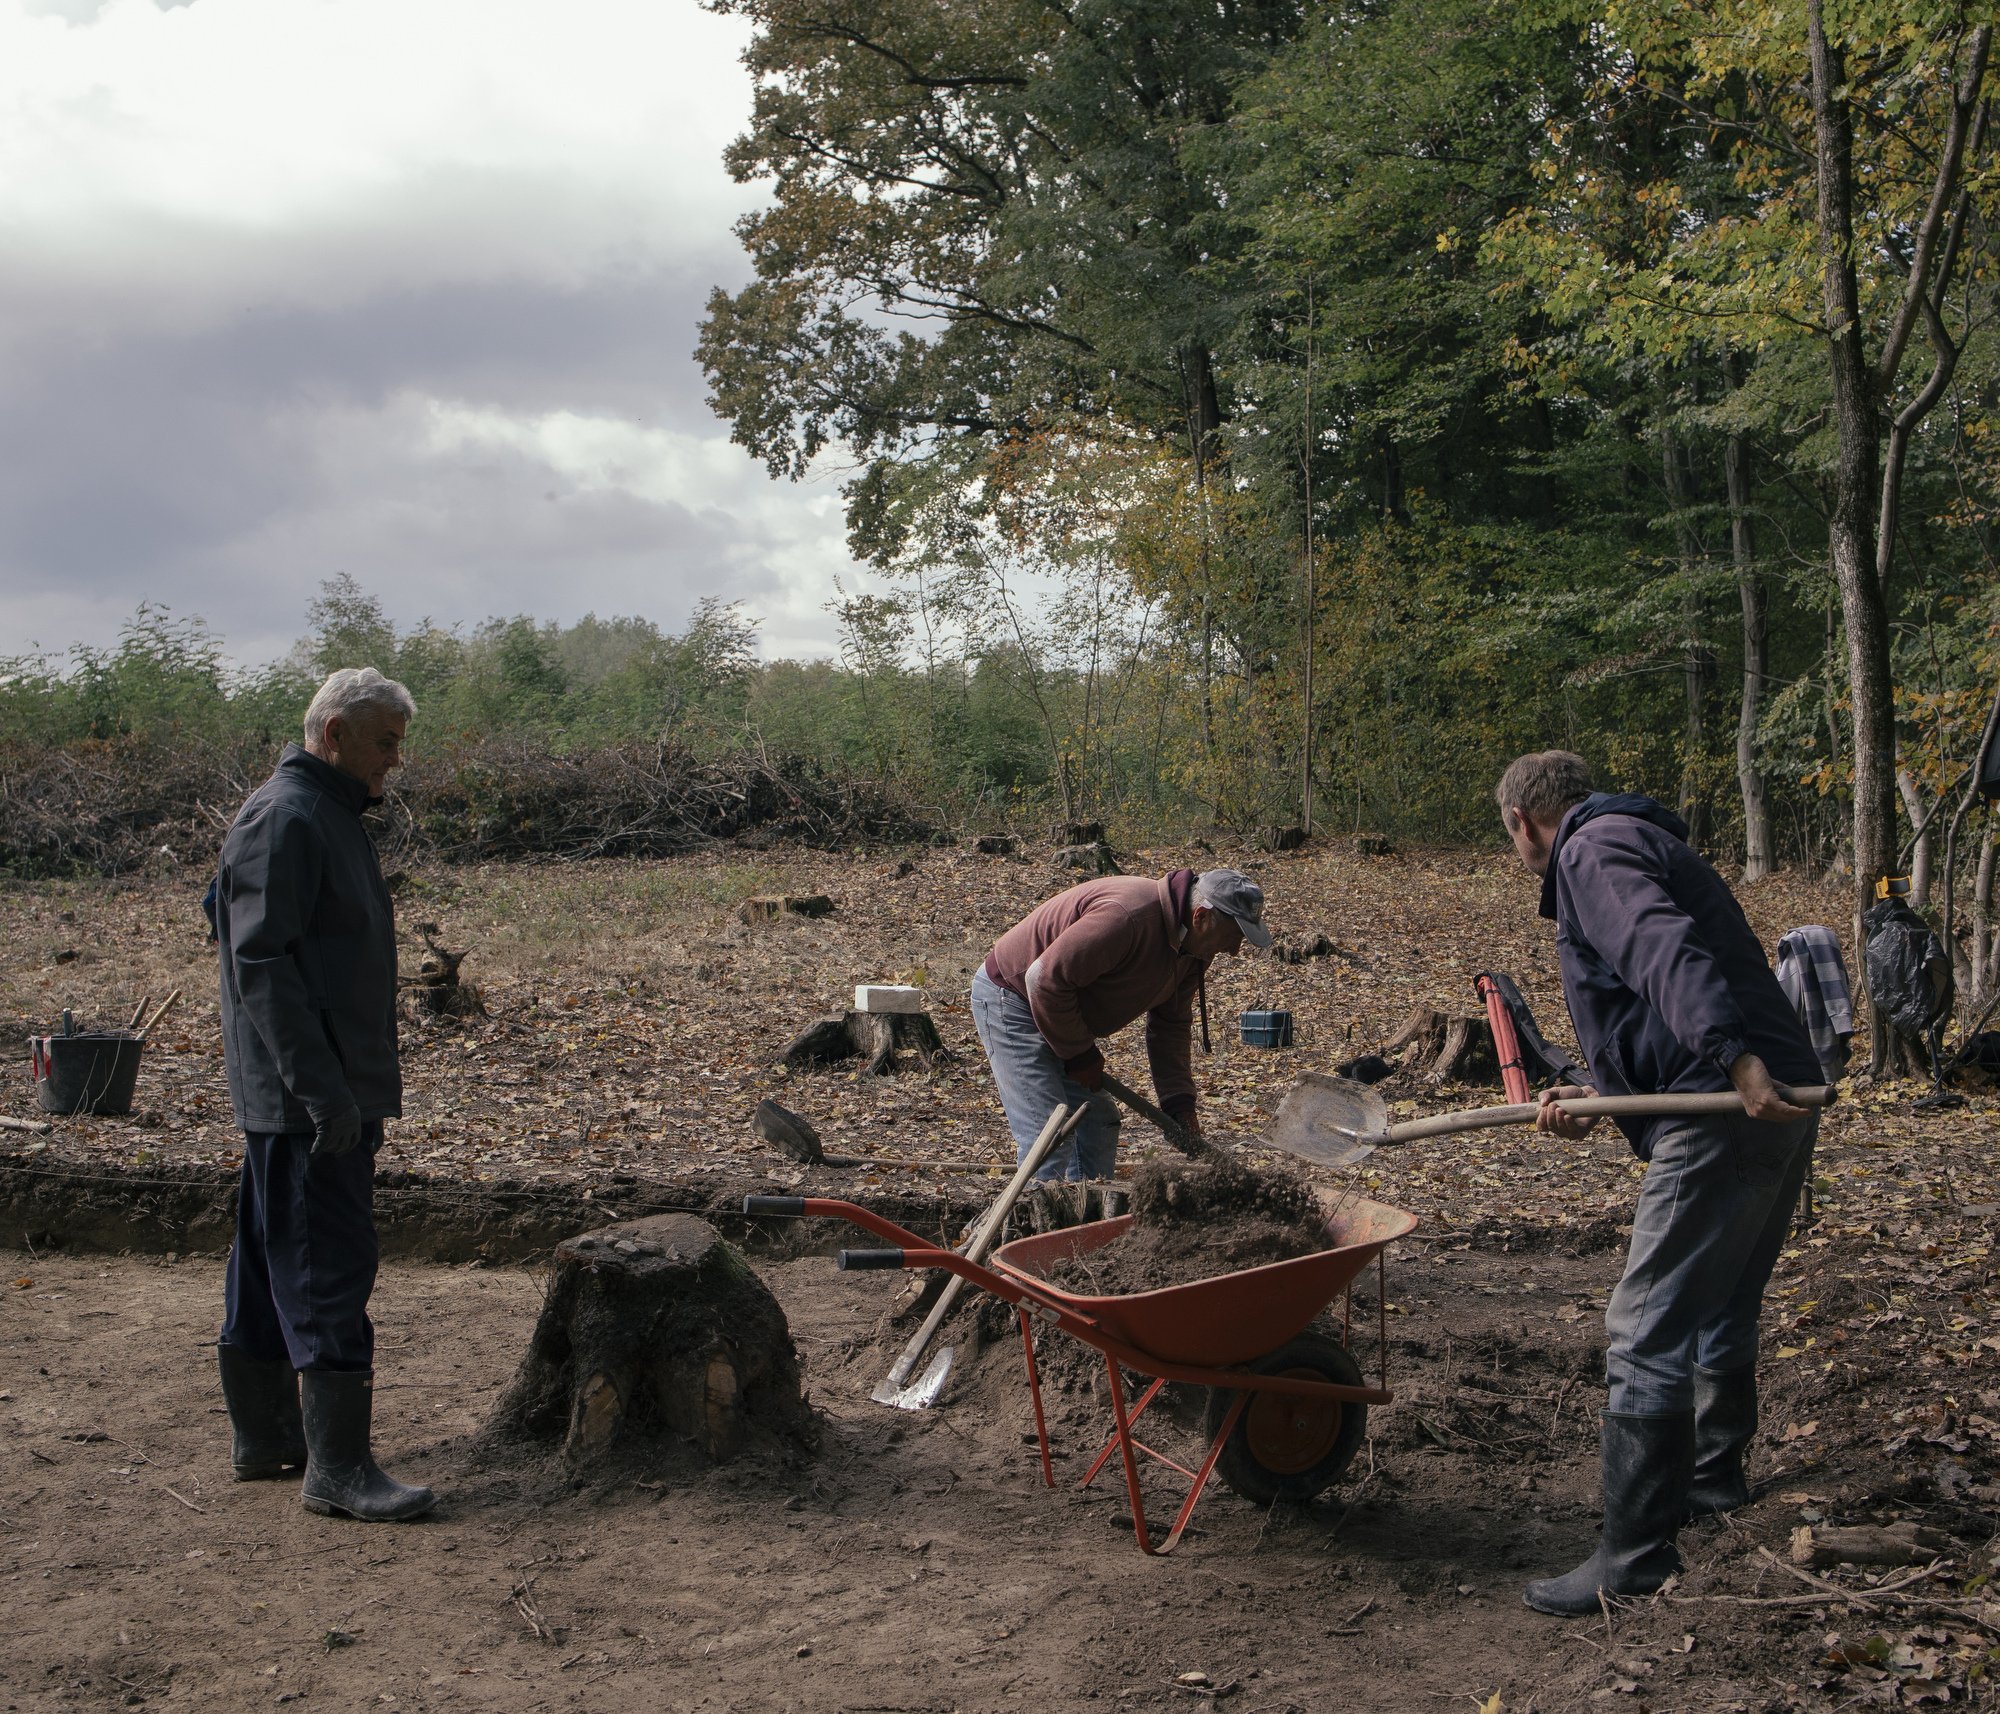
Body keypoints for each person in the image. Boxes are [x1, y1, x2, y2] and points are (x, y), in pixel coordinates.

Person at [1497, 750, 1821, 1615]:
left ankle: (1635, 1555)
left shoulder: (1589, 849)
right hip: (1767, 1090)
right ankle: (1711, 1483)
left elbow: (1657, 947)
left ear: (1524, 821)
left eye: (1513, 838)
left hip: (1729, 1102)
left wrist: (1732, 1058)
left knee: (1642, 1328)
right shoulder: (1634, 835)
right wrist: (1600, 1092)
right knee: (1720, 1302)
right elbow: (1651, 1002)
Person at [212, 667, 433, 1522]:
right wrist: (324, 1093)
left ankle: (269, 1437)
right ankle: (338, 1470)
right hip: (311, 1098)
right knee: (325, 1264)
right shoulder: (289, 818)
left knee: (273, 1258)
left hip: (307, 1091)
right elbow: (259, 966)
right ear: (334, 734)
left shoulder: (317, 815)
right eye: (385, 741)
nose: (395, 760)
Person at [970, 866, 1271, 1180]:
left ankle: (1088, 1220)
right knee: (1048, 1132)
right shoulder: (1128, 917)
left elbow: (1171, 1023)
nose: (1235, 951)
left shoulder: (1195, 948)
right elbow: (1042, 980)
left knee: (1098, 1121)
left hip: (1060, 1011)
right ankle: (1038, 1222)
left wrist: (1178, 1101)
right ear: (1201, 917)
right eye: (1234, 937)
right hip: (1012, 999)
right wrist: (1079, 1054)